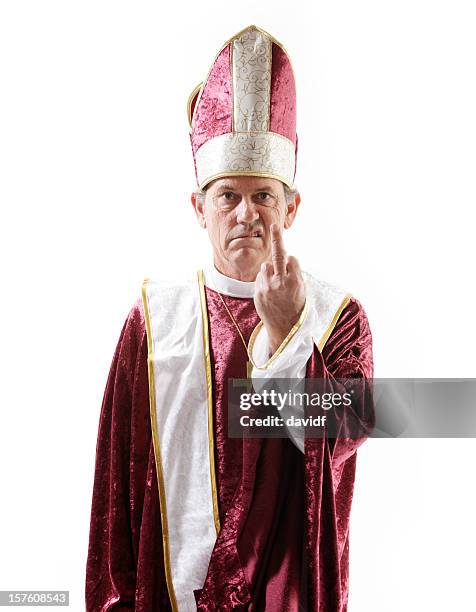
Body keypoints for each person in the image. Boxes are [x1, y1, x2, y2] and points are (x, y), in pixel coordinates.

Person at [85, 24, 374, 612]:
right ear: (199, 207)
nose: (247, 213)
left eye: (263, 195)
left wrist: (291, 337)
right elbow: (114, 495)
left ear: (291, 206)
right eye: (228, 196)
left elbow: (342, 439)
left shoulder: (338, 318)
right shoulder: (152, 323)